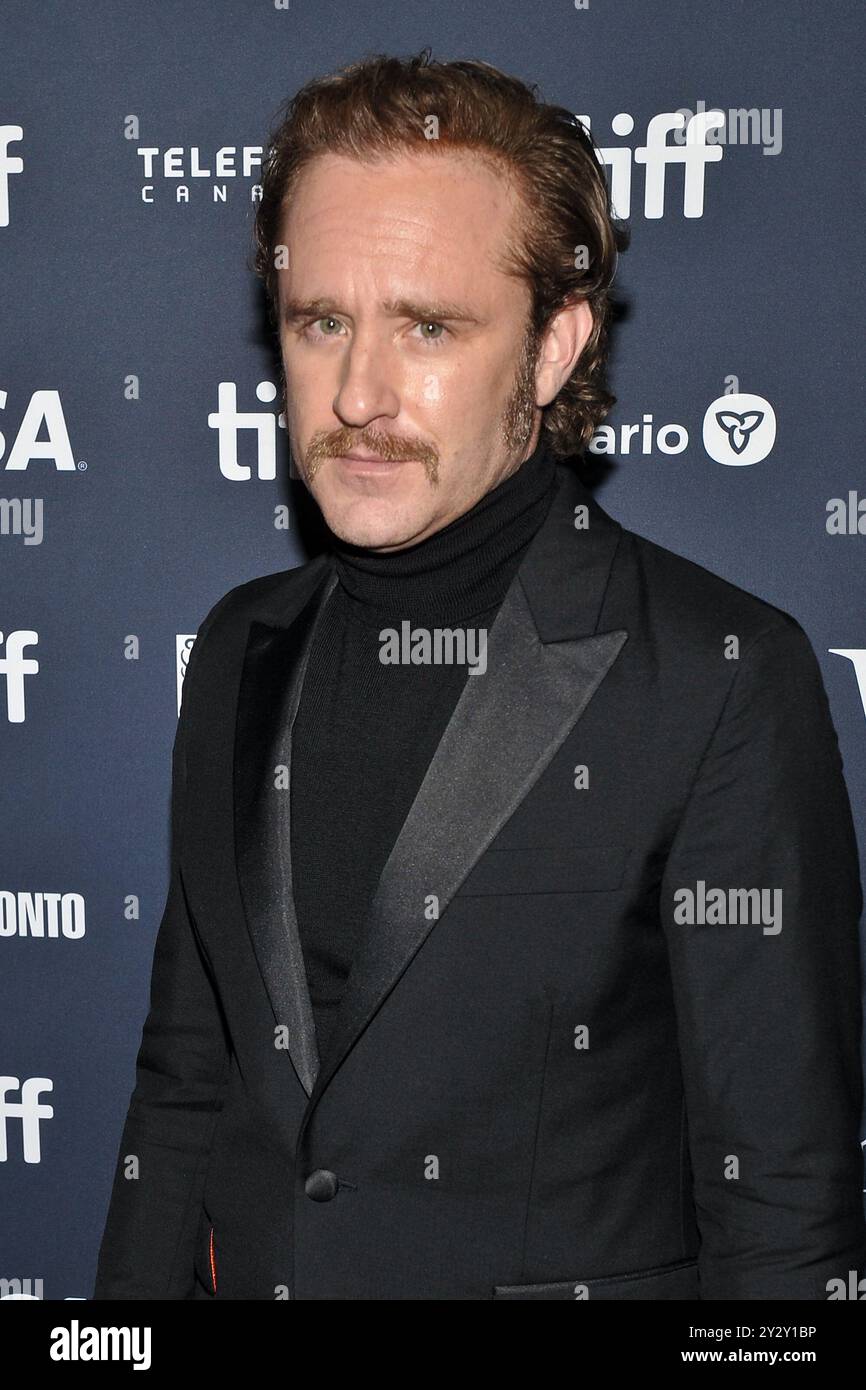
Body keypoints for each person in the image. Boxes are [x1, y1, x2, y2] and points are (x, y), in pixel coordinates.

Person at [93, 51, 866, 1301]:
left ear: (554, 345)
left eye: (430, 327)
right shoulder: (238, 646)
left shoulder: (718, 675)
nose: (356, 394)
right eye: (321, 321)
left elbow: (778, 1203)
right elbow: (185, 1093)